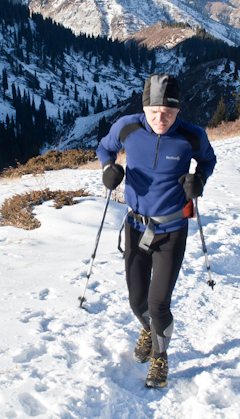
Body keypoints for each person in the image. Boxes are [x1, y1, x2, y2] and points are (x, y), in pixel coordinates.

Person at [96, 74, 217, 388]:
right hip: (136, 227)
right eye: (154, 113)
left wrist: (199, 179)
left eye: (168, 113)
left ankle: (160, 357)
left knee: (158, 303)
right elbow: (104, 149)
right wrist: (108, 170)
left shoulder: (191, 136)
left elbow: (208, 160)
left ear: (178, 111)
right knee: (137, 302)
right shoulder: (128, 127)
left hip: (172, 229)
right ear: (144, 108)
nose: (161, 119)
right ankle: (149, 328)